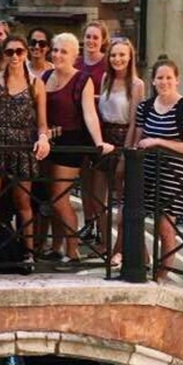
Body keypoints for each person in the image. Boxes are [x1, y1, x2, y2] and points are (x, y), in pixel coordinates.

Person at [0, 34, 50, 275]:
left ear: (26, 53)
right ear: (4, 55)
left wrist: (42, 138)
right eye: (10, 52)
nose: (15, 56)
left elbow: (42, 123)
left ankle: (28, 254)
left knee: (23, 203)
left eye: (19, 51)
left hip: (22, 148)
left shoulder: (36, 84)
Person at [42, 33, 113, 269]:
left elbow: (89, 113)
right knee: (51, 200)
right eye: (55, 50)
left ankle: (72, 254)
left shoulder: (82, 80)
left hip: (71, 144)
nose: (57, 55)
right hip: (48, 142)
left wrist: (99, 141)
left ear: (74, 55)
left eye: (63, 51)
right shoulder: (44, 77)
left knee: (59, 198)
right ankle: (55, 248)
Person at [133, 58, 183, 282]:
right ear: (153, 80)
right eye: (160, 78)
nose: (164, 82)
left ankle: (162, 275)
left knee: (165, 228)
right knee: (135, 220)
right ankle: (143, 264)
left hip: (172, 176)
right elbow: (139, 138)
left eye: (168, 77)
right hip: (147, 172)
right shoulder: (145, 106)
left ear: (177, 80)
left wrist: (158, 142)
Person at [99, 39, 145, 269]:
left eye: (122, 55)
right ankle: (136, 253)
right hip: (104, 141)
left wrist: (127, 154)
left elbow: (136, 121)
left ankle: (119, 250)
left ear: (130, 57)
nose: (117, 59)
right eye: (113, 55)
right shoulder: (105, 79)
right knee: (103, 200)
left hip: (124, 141)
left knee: (123, 202)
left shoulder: (136, 84)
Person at [76, 20, 110, 245]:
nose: (91, 41)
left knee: (100, 183)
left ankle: (101, 225)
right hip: (78, 126)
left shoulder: (107, 65)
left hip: (101, 126)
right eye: (88, 36)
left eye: (95, 37)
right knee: (84, 179)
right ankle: (88, 221)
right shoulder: (76, 62)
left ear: (103, 41)